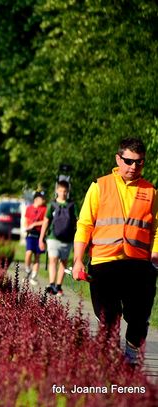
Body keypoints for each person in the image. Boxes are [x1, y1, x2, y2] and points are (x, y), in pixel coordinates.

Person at [72, 138, 158, 365]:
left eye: (139, 162)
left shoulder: (151, 191)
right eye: (128, 161)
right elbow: (85, 224)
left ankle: (131, 355)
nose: (133, 167)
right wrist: (78, 260)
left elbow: (157, 229)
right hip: (104, 264)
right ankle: (108, 362)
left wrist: (155, 255)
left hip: (139, 265)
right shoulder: (99, 186)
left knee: (139, 318)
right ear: (117, 159)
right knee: (108, 316)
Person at [38, 180, 78, 296]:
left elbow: (78, 221)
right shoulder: (52, 205)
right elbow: (46, 221)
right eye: (61, 190)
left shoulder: (72, 206)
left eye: (65, 191)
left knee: (63, 263)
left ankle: (58, 286)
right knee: (53, 260)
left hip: (67, 239)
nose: (63, 193)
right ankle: (51, 285)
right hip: (52, 237)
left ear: (68, 191)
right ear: (57, 191)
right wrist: (42, 238)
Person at [24, 191, 47, 285]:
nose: (44, 200)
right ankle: (27, 269)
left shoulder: (45, 209)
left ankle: (33, 276)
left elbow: (45, 221)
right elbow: (26, 220)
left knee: (37, 256)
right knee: (28, 252)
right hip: (30, 234)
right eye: (42, 198)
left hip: (39, 234)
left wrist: (34, 224)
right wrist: (27, 227)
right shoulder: (29, 208)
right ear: (36, 199)